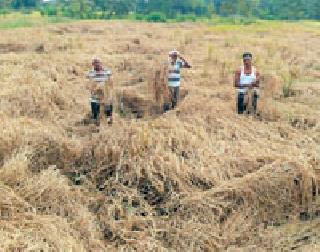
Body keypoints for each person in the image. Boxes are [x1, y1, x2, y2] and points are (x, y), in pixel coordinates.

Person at [87, 58, 113, 125]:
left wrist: (106, 87)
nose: (97, 65)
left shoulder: (107, 71)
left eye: (98, 63)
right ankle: (96, 120)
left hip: (105, 92)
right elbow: (89, 83)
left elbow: (110, 82)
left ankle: (109, 119)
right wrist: (95, 88)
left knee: (108, 105)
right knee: (94, 104)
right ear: (93, 65)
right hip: (96, 92)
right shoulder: (91, 73)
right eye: (95, 64)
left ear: (101, 64)